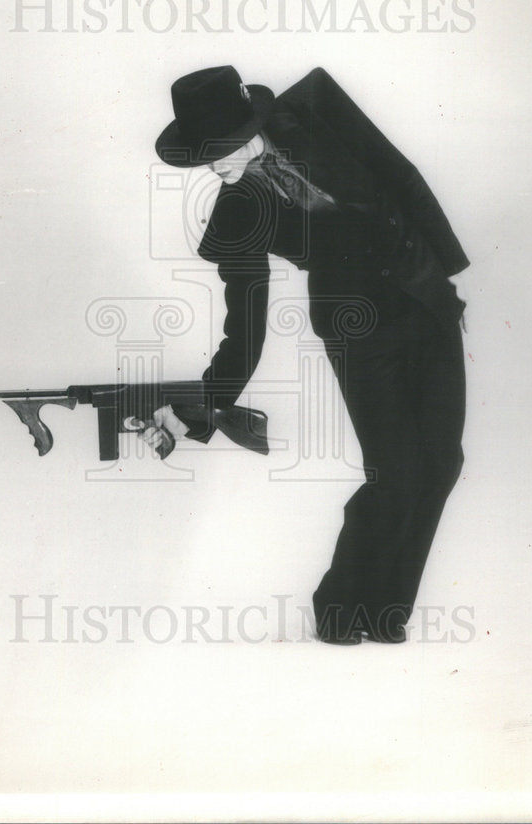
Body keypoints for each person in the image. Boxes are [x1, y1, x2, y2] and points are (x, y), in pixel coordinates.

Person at [145, 65, 469, 644]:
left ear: (253, 123)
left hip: (425, 300)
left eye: (221, 149)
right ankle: (342, 606)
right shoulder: (236, 213)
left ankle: (387, 611)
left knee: (443, 463)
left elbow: (400, 176)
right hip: (357, 328)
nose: (216, 167)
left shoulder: (317, 110)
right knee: (396, 471)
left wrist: (445, 277)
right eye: (205, 158)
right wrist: (199, 407)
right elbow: (245, 325)